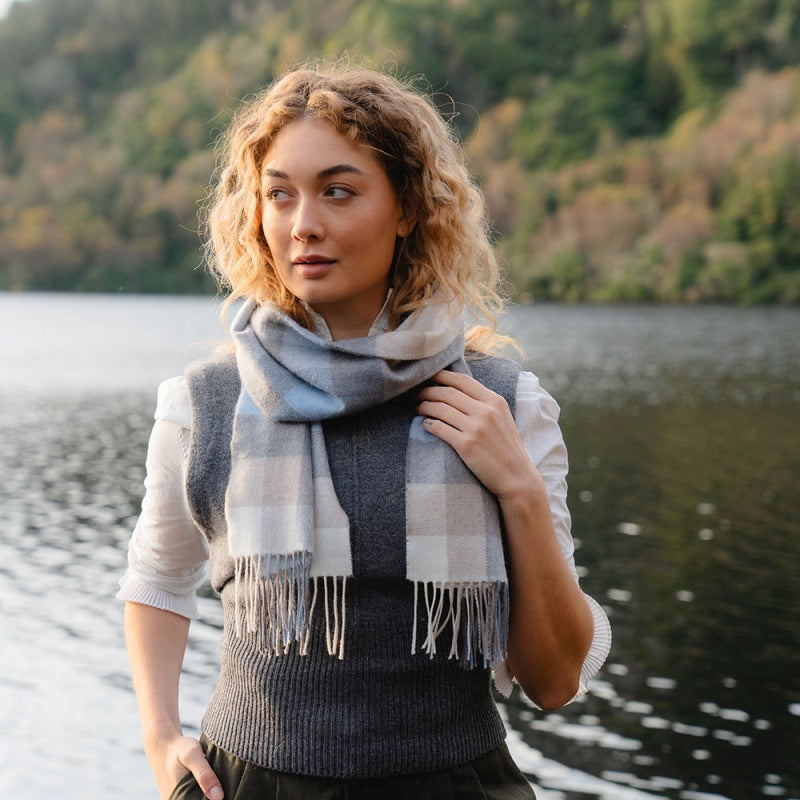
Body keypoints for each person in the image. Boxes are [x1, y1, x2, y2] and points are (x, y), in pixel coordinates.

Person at [118, 62, 611, 800]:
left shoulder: (504, 404)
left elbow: (554, 682)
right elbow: (158, 581)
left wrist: (518, 491)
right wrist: (160, 735)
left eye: (337, 191)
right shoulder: (205, 404)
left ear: (408, 207)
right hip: (250, 785)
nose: (302, 223)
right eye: (279, 194)